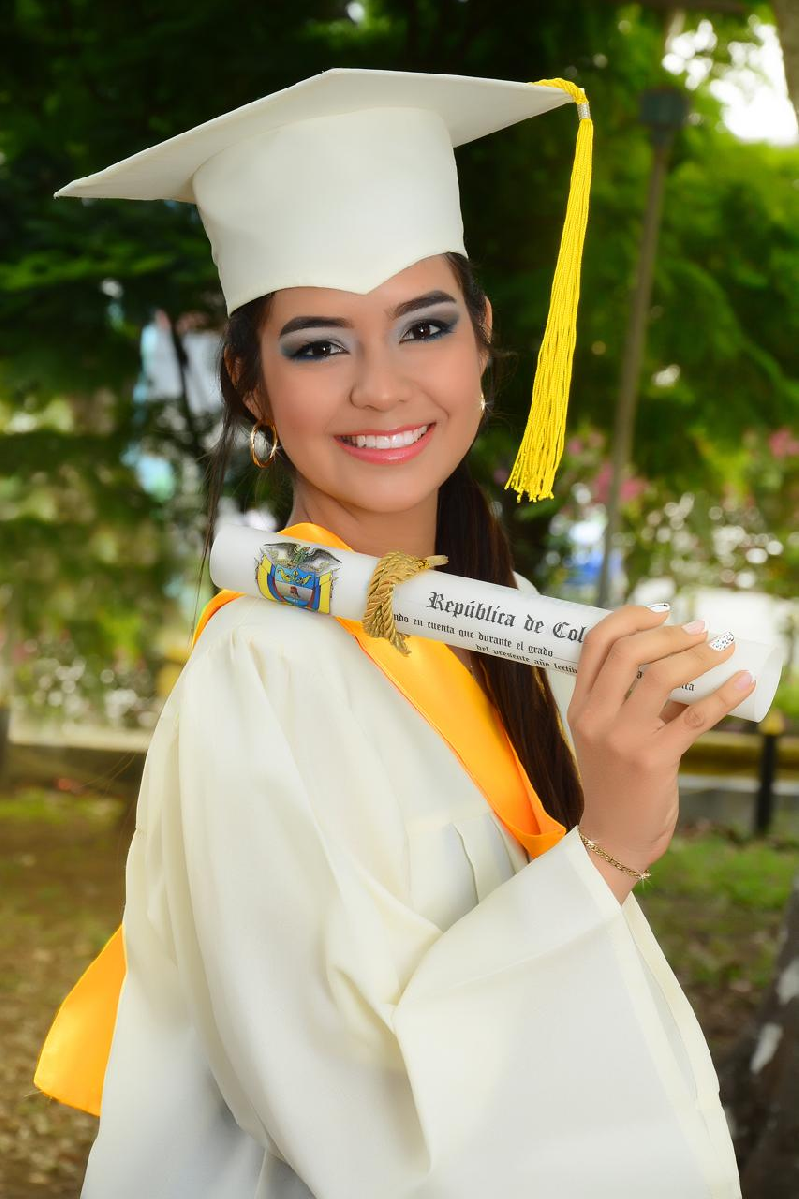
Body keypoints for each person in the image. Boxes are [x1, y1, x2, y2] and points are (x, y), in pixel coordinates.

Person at [35, 68, 751, 1197]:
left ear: (482, 341)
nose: (382, 387)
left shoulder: (497, 623)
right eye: (319, 346)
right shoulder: (262, 669)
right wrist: (607, 847)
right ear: (251, 386)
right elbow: (349, 1114)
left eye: (423, 326)